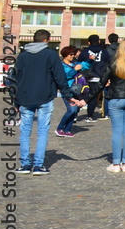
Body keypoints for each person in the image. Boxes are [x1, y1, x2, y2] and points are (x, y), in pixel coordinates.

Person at [12, 30, 86, 174]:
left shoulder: (22, 56)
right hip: (45, 96)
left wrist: (16, 102)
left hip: (25, 97)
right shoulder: (51, 55)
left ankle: (25, 164)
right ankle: (38, 165)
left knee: (25, 131)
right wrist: (68, 95)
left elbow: (16, 79)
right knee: (42, 131)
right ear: (46, 40)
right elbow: (59, 77)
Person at [93, 39, 125, 172]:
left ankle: (116, 164)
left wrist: (87, 99)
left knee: (117, 131)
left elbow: (101, 82)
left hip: (115, 98)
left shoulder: (113, 62)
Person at [56, 46, 86, 137]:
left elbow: (85, 65)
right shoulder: (61, 65)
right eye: (71, 54)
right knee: (71, 110)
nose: (73, 56)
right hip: (67, 90)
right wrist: (74, 70)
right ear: (65, 55)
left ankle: (68, 129)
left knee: (75, 111)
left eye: (73, 54)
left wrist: (90, 60)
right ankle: (60, 128)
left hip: (77, 89)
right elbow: (65, 76)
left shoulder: (75, 63)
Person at [79, 34, 109, 121]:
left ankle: (75, 114)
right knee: (94, 96)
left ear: (88, 42)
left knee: (82, 95)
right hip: (100, 76)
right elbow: (108, 64)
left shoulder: (84, 52)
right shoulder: (104, 52)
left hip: (86, 76)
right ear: (99, 41)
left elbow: (79, 63)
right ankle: (90, 115)